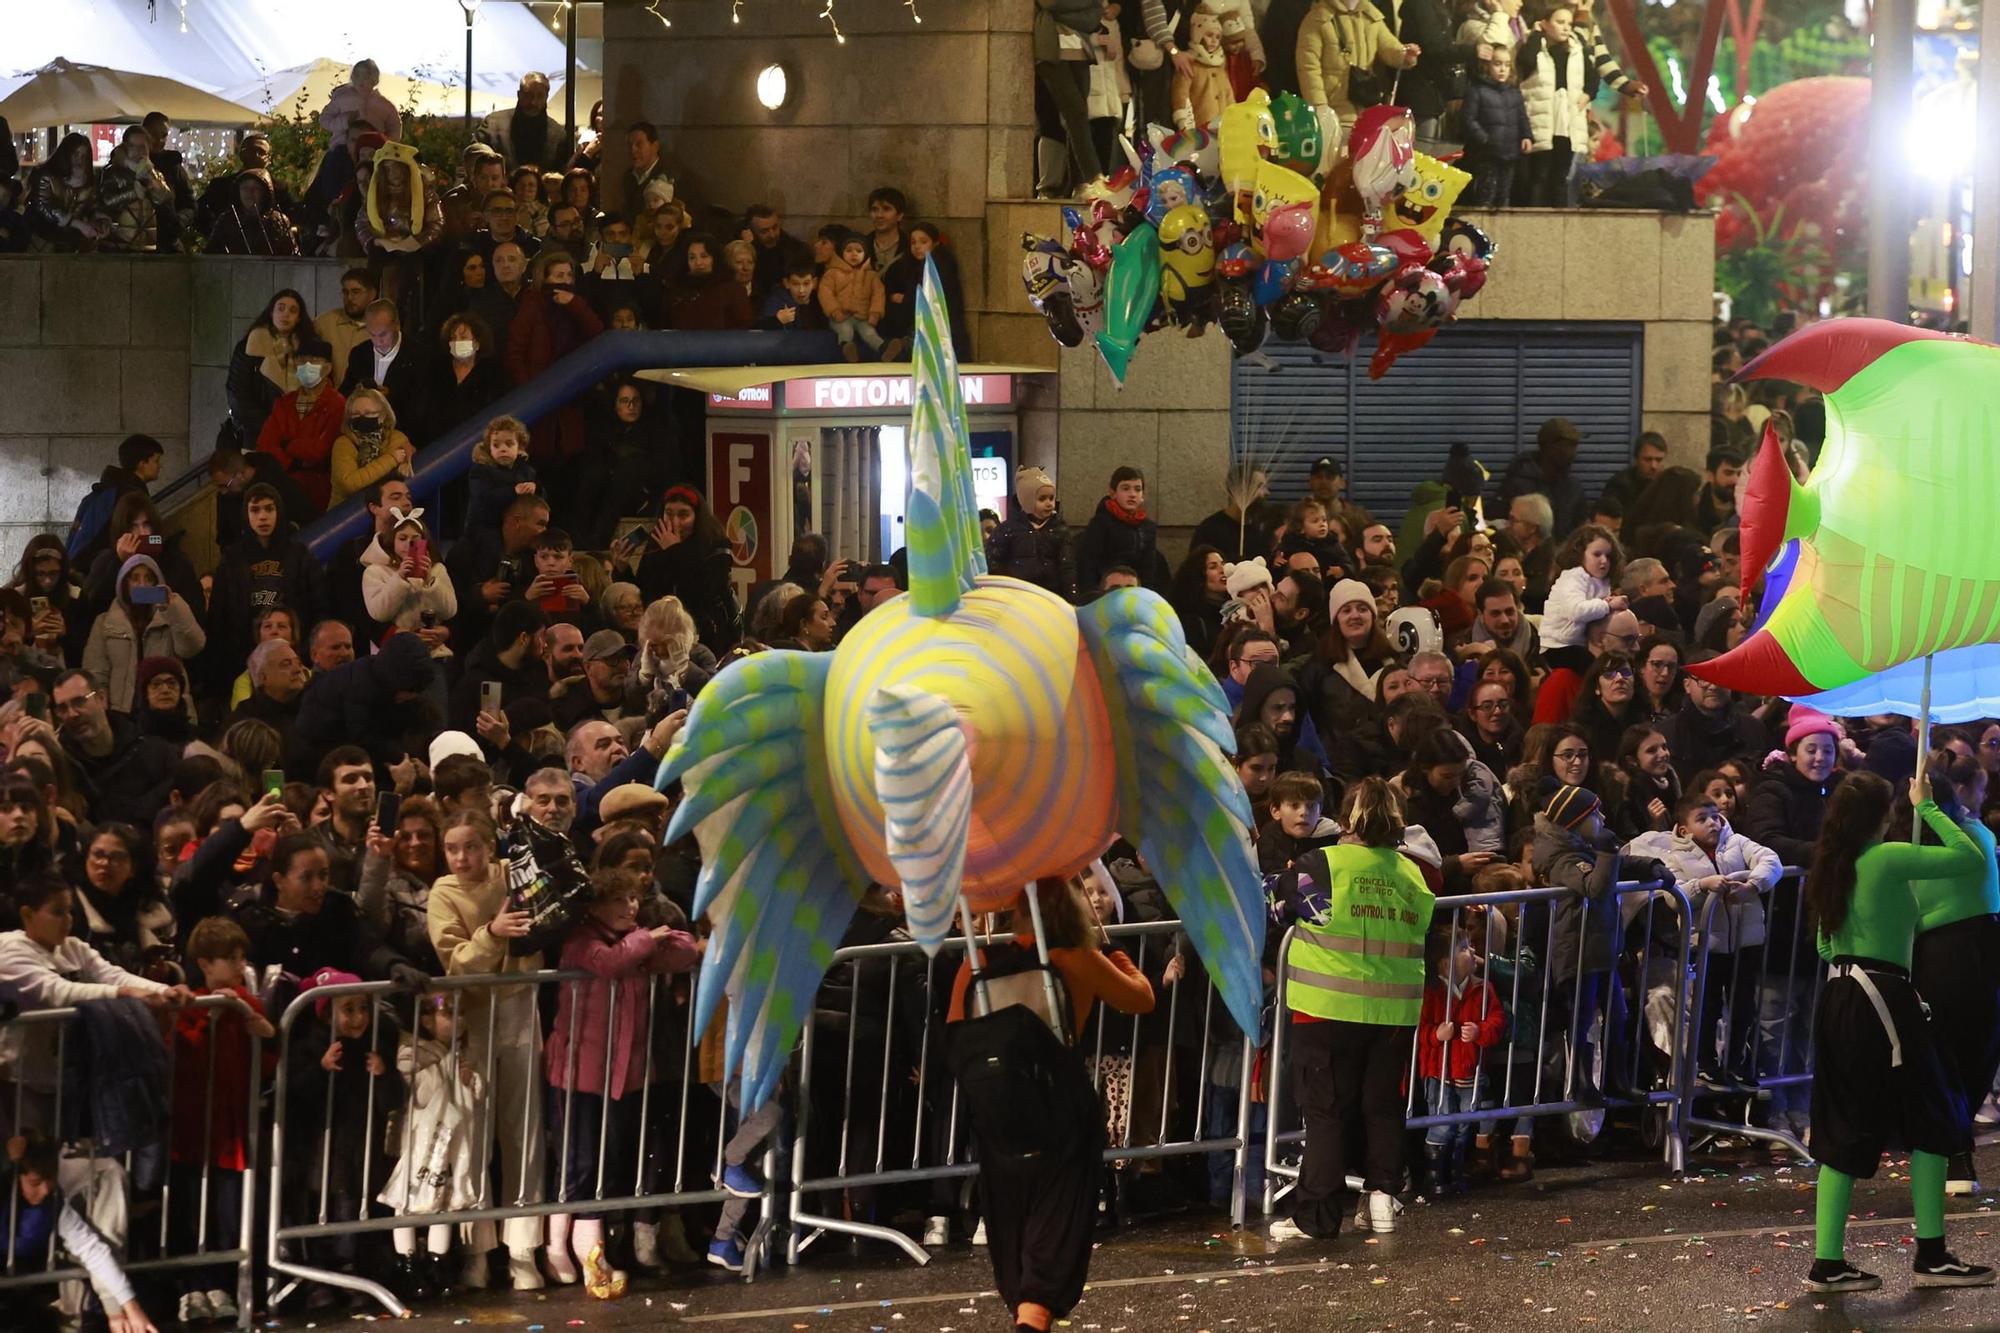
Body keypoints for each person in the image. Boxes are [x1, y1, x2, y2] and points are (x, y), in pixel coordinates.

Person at [1801, 769, 1994, 1293]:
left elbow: (1824, 946)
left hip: (1842, 995)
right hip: (1882, 996)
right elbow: (1969, 858)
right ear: (1879, 816)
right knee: (1936, 1115)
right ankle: (1931, 1255)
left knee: (1844, 1127)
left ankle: (1829, 1262)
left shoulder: (1834, 866)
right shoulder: (1885, 858)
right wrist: (1929, 806)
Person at [947, 875, 1153, 1331]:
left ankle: (1023, 1302)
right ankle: (1034, 1312)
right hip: (1060, 1105)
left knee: (1011, 1207)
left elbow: (956, 1029)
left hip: (999, 1111)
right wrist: (1119, 959)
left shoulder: (977, 964)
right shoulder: (1076, 958)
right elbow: (1141, 999)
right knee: (1058, 1208)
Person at [1267, 778, 1432, 1240]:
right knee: (1382, 1107)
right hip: (1393, 1014)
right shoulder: (1409, 872)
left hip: (1328, 1009)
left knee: (1326, 1113)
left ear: (1344, 818)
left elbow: (1276, 907)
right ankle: (1382, 1199)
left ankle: (1317, 1216)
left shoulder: (1322, 865)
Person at [543, 867, 699, 1298]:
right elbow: (607, 964)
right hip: (578, 1075)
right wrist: (647, 939)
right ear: (595, 906)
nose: (630, 908)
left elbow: (684, 953)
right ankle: (560, 1246)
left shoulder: (636, 942)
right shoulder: (583, 941)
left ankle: (590, 1251)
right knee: (577, 1163)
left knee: (604, 1163)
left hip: (621, 1077)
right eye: (619, 901)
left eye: (633, 900)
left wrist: (665, 937)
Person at [426, 809, 550, 1290]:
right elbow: (454, 960)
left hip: (520, 1006)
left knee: (523, 1132)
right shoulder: (443, 892)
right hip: (474, 1018)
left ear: (488, 846)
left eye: (471, 847)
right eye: (453, 849)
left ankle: (523, 1249)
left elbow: (539, 923)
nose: (462, 857)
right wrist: (492, 933)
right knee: (475, 1137)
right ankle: (477, 1250)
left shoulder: (510, 874)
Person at [1626, 789, 1780, 1088]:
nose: (1713, 823)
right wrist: (1703, 885)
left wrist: (1754, 885)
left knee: (1743, 1005)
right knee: (1707, 1007)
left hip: (1747, 942)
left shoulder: (1737, 842)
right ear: (1684, 829)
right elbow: (1676, 894)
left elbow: (1770, 859)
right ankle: (1706, 1062)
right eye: (1702, 819)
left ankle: (1736, 1061)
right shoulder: (1675, 856)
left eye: (1715, 817)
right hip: (1708, 944)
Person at [1909, 755, 2000, 1196]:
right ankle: (1954, 1147)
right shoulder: (1918, 847)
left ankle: (1954, 1145)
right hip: (1959, 952)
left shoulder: (1968, 840)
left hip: (1960, 951)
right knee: (1963, 1054)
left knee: (1958, 1054)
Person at [377, 990, 482, 1302]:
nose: (459, 1021)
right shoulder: (412, 1052)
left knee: (443, 1201)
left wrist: (469, 1080)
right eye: (450, 1014)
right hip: (414, 1143)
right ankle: (409, 1264)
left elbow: (475, 1093)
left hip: (445, 1143)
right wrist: (434, 1065)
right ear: (425, 1019)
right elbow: (414, 1093)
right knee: (405, 1202)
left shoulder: (460, 1053)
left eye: (461, 1013)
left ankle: (438, 1262)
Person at [1416, 928, 1506, 1195]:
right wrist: (1435, 1034)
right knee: (1442, 1124)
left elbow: (1497, 1021)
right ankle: (1434, 1176)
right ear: (1444, 962)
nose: (1473, 951)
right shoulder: (1431, 992)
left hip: (1470, 1070)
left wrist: (1480, 1032)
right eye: (1465, 948)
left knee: (1464, 1125)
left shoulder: (1482, 987)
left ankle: (1455, 1174)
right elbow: (1418, 1028)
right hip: (1439, 1071)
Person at [508, 252, 605, 468]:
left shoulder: (576, 306)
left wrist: (574, 303)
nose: (566, 281)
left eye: (570, 275)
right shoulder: (532, 306)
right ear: (546, 278)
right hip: (539, 399)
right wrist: (529, 390)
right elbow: (515, 351)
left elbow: (598, 333)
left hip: (571, 398)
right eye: (559, 275)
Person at [82, 556, 205, 715]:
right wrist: (101, 703)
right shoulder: (104, 623)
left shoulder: (170, 616)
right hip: (121, 713)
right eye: (135, 578)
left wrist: (173, 606)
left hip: (168, 711)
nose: (142, 584)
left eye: (148, 578)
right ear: (124, 584)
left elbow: (193, 647)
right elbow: (95, 671)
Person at [631, 486, 740, 652]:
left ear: (697, 517)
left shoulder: (717, 545)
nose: (675, 522)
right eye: (669, 514)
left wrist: (675, 552)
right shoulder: (657, 543)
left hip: (706, 634)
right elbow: (645, 588)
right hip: (661, 632)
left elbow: (703, 592)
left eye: (683, 515)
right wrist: (621, 568)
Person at [1294, 0, 1422, 130]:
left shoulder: (1370, 16)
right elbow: (1309, 69)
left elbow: (1389, 47)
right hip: (1335, 114)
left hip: (1366, 112)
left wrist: (1405, 54)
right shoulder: (1318, 19)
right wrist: (1320, 107)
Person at [254, 336, 343, 516]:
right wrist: (295, 461)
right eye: (302, 361)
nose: (306, 365)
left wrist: (288, 444)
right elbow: (265, 445)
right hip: (282, 482)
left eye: (313, 361)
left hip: (318, 489)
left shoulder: (337, 404)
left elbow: (321, 450)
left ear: (327, 368)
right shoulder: (284, 403)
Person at [1515, 5, 1592, 206]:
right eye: (1560, 22)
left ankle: (1558, 222)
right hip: (1541, 119)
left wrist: (1588, 94)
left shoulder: (1577, 49)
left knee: (1561, 176)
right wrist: (1536, 34)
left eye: (1569, 23)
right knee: (1538, 175)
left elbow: (1593, 76)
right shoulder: (1534, 46)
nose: (1566, 28)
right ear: (1545, 24)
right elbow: (1525, 62)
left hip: (1568, 121)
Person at [66, 433, 162, 570]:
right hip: (104, 569)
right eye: (156, 461)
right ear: (142, 463)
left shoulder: (104, 492)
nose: (160, 466)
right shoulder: (128, 497)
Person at [230, 289, 309, 451]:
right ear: (271, 312)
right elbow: (238, 393)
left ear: (299, 318)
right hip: (257, 435)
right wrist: (270, 428)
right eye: (280, 308)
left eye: (292, 311)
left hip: (295, 439)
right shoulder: (250, 347)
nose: (286, 314)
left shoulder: (308, 349)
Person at [1074, 466, 1170, 594]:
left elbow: (1149, 569)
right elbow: (1087, 565)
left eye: (1138, 489)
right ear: (1113, 492)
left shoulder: (1147, 527)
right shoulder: (1101, 523)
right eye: (1125, 488)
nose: (1132, 494)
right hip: (1105, 593)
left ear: (1142, 496)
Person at [985, 466, 1074, 600]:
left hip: (1051, 595)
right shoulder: (1007, 530)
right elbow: (994, 563)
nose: (1049, 504)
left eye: (1051, 498)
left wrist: (1070, 598)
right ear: (1026, 501)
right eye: (1042, 499)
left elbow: (1067, 567)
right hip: (1016, 595)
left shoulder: (1059, 530)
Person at [1459, 47, 1531, 208]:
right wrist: (1484, 138)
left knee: (1504, 195)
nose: (1502, 69)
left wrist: (1526, 136)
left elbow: (1521, 117)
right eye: (1497, 64)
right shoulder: (1477, 91)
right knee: (1485, 193)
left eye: (1506, 64)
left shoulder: (1514, 93)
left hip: (1510, 152)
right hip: (1487, 154)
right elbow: (1468, 119)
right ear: (1487, 66)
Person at [328, 387, 414, 508]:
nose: (362, 418)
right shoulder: (343, 444)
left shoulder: (396, 438)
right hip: (344, 517)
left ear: (383, 415)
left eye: (368, 413)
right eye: (355, 414)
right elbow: (349, 484)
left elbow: (387, 483)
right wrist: (392, 459)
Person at [477, 72, 573, 172]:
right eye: (529, 95)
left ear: (546, 97)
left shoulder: (558, 135)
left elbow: (563, 174)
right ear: (519, 94)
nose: (533, 102)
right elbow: (472, 162)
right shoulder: (493, 124)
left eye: (539, 96)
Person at [818, 232, 886, 361]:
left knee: (870, 333)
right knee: (845, 330)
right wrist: (834, 311)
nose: (854, 254)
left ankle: (885, 350)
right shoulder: (833, 273)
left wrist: (875, 313)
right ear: (841, 252)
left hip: (863, 316)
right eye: (849, 250)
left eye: (859, 251)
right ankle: (847, 350)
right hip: (841, 315)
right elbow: (825, 293)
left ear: (865, 254)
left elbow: (879, 295)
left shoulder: (871, 276)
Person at [206, 169, 297, 256]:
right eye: (245, 188)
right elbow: (211, 253)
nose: (249, 192)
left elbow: (291, 256)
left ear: (265, 192)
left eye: (256, 188)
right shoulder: (227, 220)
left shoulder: (278, 220)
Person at [314, 269, 378, 389]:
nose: (349, 297)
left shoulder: (380, 328)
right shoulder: (325, 323)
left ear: (372, 294)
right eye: (345, 292)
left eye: (356, 292)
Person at [622, 122, 675, 218]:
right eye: (630, 145)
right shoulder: (628, 177)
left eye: (639, 144)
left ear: (655, 146)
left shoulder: (671, 176)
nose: (633, 150)